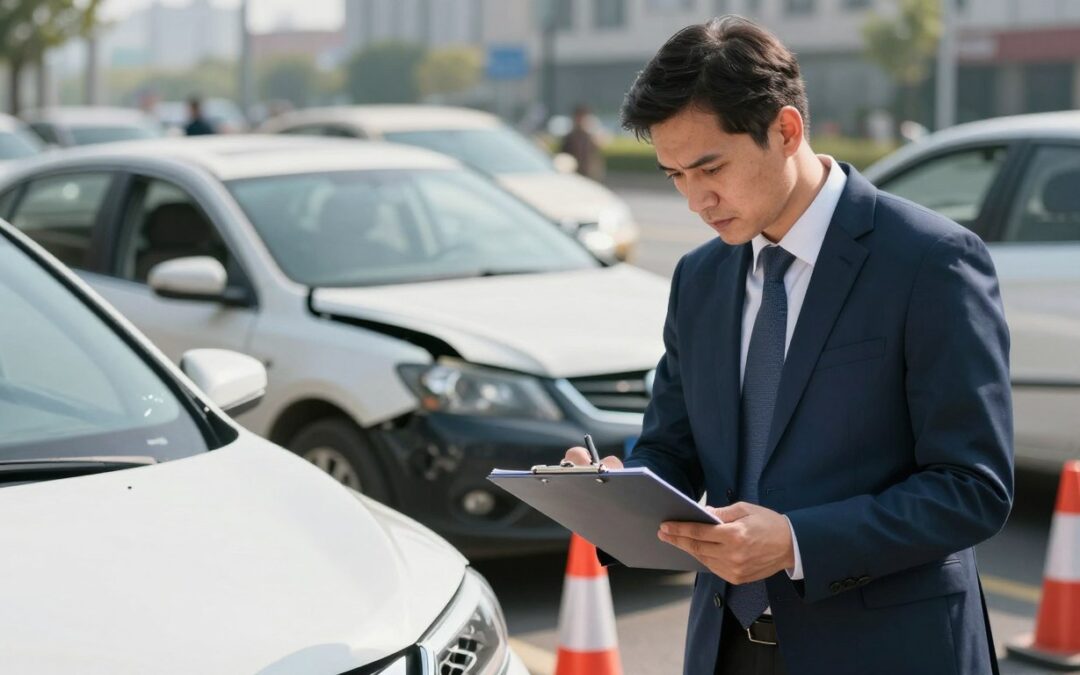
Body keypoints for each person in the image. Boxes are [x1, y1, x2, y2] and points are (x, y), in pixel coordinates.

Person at [562, 16, 1013, 675]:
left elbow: (973, 486)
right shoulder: (701, 277)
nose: (696, 199)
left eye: (709, 167)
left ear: (787, 130)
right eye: (674, 175)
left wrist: (798, 541)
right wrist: (610, 494)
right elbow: (672, 446)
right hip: (729, 648)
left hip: (889, 652)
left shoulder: (928, 262)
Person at [559, 104, 606, 181]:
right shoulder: (569, 138)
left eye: (583, 117)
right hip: (573, 176)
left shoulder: (590, 137)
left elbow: (596, 158)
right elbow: (564, 157)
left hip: (589, 176)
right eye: (578, 117)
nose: (580, 120)